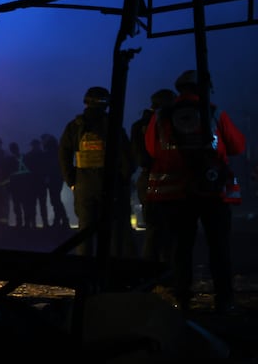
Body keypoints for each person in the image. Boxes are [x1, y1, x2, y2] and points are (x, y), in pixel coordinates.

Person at [144, 70, 246, 313]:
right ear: (204, 87)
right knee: (219, 247)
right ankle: (224, 299)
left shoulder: (160, 116)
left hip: (176, 195)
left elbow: (151, 150)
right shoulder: (214, 112)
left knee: (181, 248)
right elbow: (238, 146)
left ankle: (182, 299)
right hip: (212, 192)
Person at [58, 86, 136, 257]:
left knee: (85, 231)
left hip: (84, 185)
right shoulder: (112, 125)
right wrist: (123, 180)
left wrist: (72, 181)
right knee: (114, 231)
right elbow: (126, 157)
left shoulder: (74, 126)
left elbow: (63, 154)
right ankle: (111, 274)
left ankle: (84, 275)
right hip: (110, 184)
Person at [131, 88, 176, 269]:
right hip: (168, 181)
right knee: (169, 230)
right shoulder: (168, 124)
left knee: (153, 228)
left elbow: (139, 157)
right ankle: (168, 273)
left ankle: (149, 273)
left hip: (147, 180)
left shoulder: (138, 125)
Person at [40, 133, 69, 228]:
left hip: (54, 178)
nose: (42, 142)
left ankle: (63, 221)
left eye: (43, 139)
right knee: (56, 200)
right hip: (58, 178)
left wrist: (47, 176)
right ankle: (60, 220)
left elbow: (50, 165)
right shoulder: (56, 149)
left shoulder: (50, 150)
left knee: (55, 200)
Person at [7, 141, 37, 228]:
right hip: (24, 186)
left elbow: (8, 173)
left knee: (18, 205)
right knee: (25, 205)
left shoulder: (10, 160)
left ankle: (20, 223)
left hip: (16, 186)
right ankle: (26, 223)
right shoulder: (25, 157)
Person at [22, 138, 50, 227]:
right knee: (40, 204)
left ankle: (34, 223)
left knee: (33, 204)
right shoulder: (44, 155)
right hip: (39, 183)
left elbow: (25, 170)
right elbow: (47, 168)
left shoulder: (28, 156)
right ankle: (43, 223)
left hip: (33, 183)